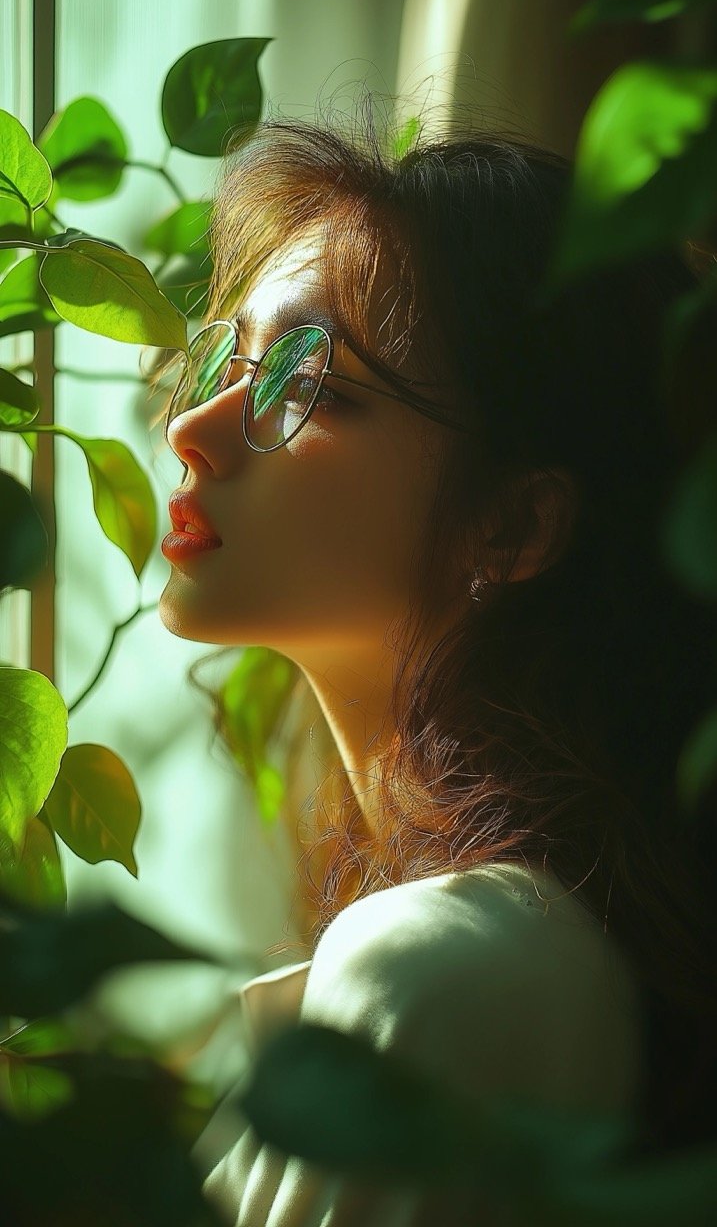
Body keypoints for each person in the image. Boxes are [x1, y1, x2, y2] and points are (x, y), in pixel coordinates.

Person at [153, 93, 717, 1225]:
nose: (192, 429)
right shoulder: (521, 938)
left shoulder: (455, 970)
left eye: (306, 387)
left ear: (511, 528)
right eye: (233, 360)